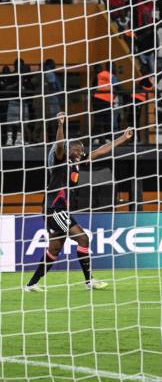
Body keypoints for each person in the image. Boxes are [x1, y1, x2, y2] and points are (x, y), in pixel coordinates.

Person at [25, 113, 133, 292]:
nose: (80, 153)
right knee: (83, 239)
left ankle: (31, 284)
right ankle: (89, 281)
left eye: (81, 150)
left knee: (54, 248)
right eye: (76, 149)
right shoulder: (60, 162)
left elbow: (101, 151)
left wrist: (123, 137)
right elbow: (59, 145)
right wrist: (60, 125)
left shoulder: (77, 162)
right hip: (54, 209)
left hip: (58, 210)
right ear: (68, 151)